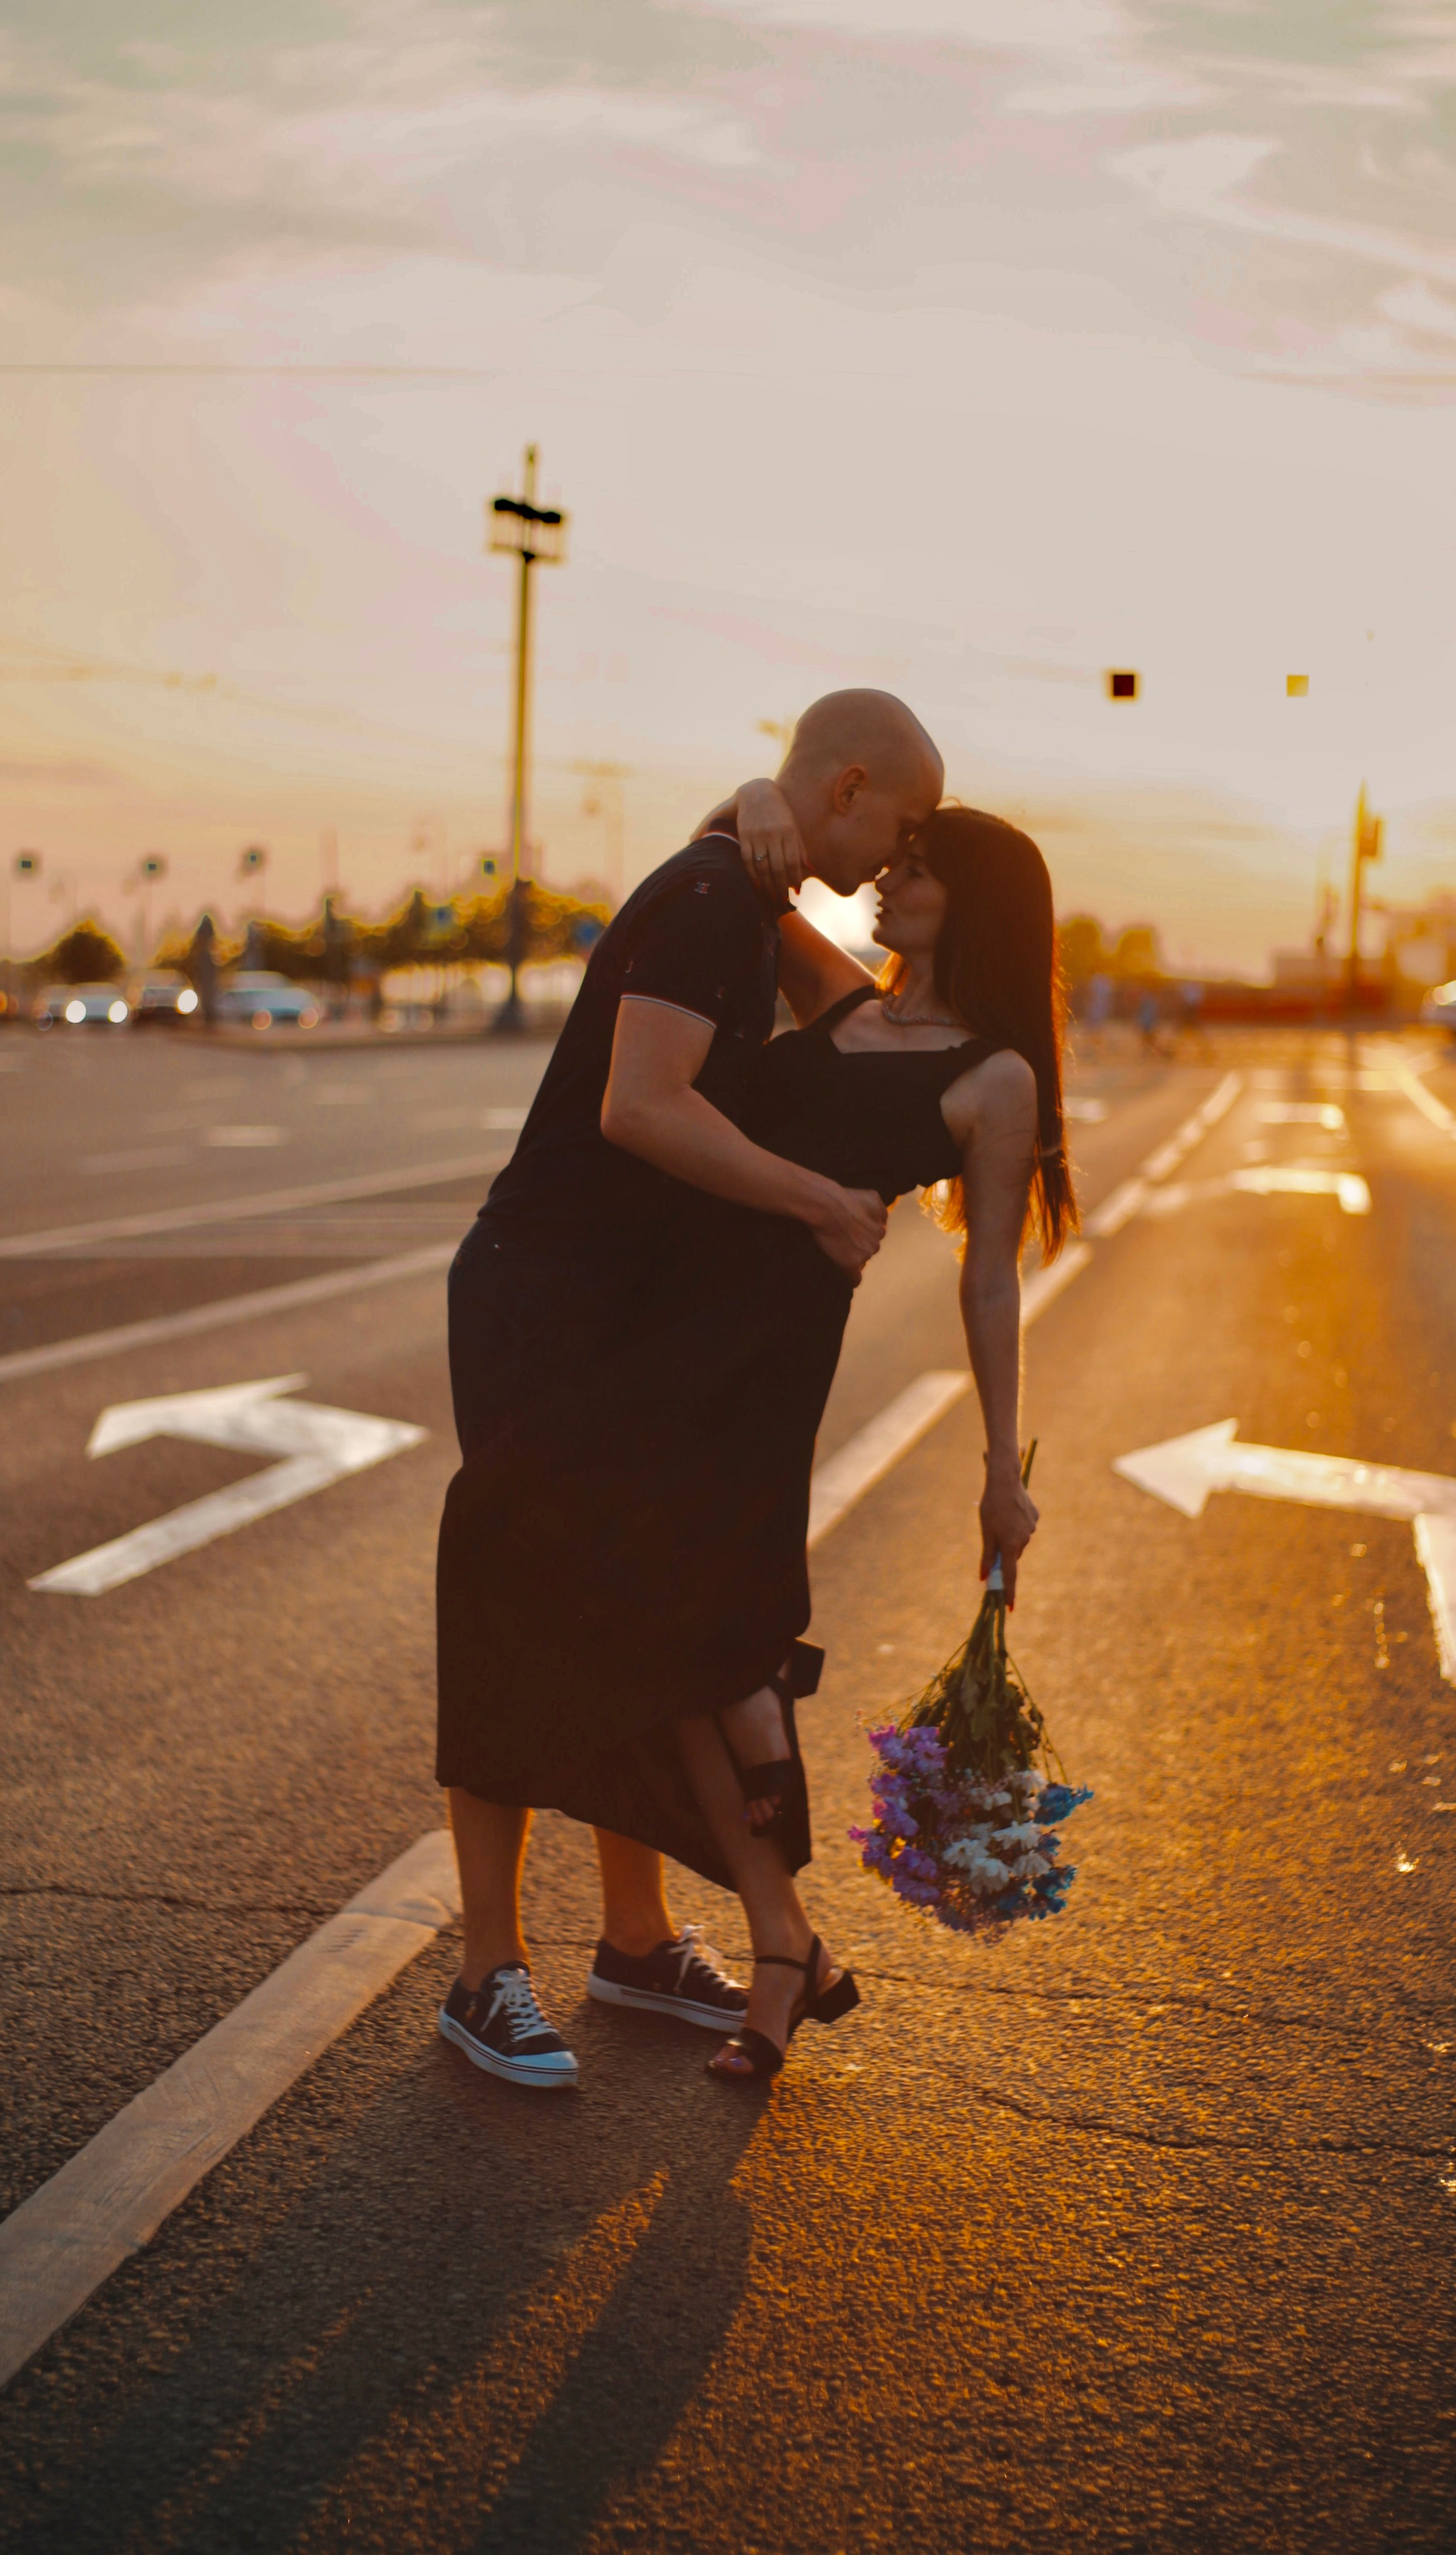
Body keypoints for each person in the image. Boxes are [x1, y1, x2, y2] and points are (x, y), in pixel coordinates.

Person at [436, 785, 1075, 2087]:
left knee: (719, 1648)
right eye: (889, 857)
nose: (886, 884)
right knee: (664, 1636)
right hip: (644, 1325)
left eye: (918, 870)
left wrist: (998, 1471)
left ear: (976, 903)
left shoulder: (993, 1076)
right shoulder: (842, 995)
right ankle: (762, 1938)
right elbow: (732, 872)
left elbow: (990, 1278)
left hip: (756, 1367)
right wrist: (749, 801)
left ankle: (769, 1937)